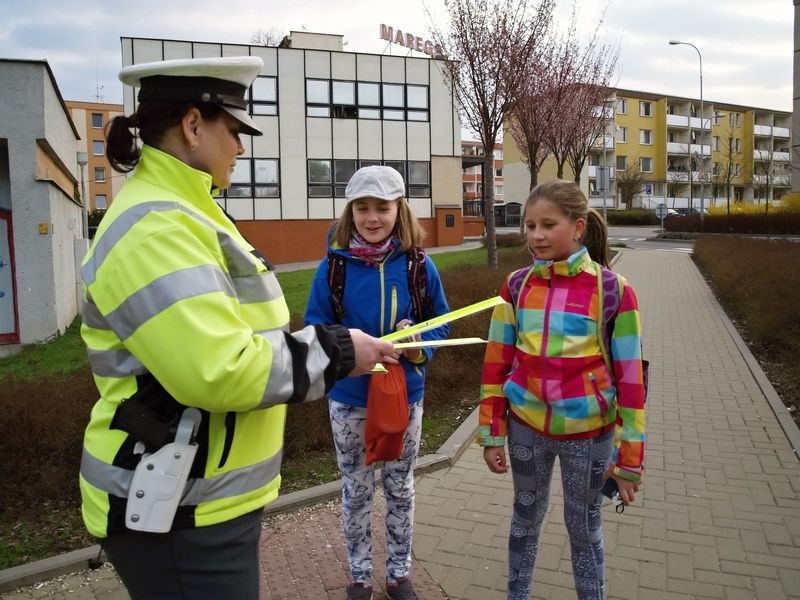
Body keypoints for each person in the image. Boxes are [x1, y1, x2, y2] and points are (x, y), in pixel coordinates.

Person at [78, 56, 396, 600]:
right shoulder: (157, 227)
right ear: (193, 125)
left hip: (197, 496)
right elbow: (220, 368)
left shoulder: (187, 210)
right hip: (176, 508)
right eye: (235, 130)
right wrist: (341, 350)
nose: (242, 149)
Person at [477, 179, 646, 600]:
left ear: (578, 227)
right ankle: (517, 594)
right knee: (525, 518)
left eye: (547, 225)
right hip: (525, 429)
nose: (535, 236)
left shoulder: (614, 291)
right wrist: (491, 431)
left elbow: (632, 382)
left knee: (584, 526)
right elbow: (496, 362)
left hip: (589, 437)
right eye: (528, 226)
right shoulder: (515, 287)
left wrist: (630, 460)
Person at [304, 166, 451, 600]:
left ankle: (400, 575)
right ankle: (360, 577)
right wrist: (350, 351)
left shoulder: (420, 266)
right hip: (349, 400)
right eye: (363, 208)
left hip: (406, 396)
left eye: (382, 208)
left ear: (398, 209)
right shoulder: (333, 268)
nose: (372, 218)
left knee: (401, 487)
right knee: (355, 490)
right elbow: (316, 329)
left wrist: (418, 343)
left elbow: (442, 324)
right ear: (351, 211)